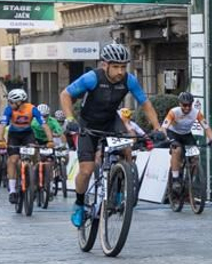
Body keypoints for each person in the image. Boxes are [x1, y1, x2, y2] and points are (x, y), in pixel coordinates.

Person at [61, 44, 160, 228]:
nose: (120, 71)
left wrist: (157, 127)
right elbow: (65, 94)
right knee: (86, 170)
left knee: (126, 149)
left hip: (111, 121)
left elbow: (145, 104)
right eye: (116, 67)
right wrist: (69, 118)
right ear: (105, 65)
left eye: (123, 67)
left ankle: (121, 188)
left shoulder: (129, 80)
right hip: (88, 124)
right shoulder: (91, 78)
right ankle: (80, 203)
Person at [0, 88, 52, 206]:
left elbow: (44, 125)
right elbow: (2, 125)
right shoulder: (8, 110)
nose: (10, 104)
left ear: (20, 102)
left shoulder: (32, 109)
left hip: (28, 135)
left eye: (12, 102)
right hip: (14, 136)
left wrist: (50, 140)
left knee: (34, 154)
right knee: (13, 160)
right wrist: (1, 139)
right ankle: (12, 190)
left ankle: (34, 178)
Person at [161, 90, 212, 190]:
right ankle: (175, 178)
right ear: (179, 104)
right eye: (184, 105)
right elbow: (164, 128)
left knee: (195, 156)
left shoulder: (196, 113)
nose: (187, 108)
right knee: (177, 150)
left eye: (189, 105)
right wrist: (165, 138)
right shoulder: (174, 112)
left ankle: (190, 180)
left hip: (187, 135)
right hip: (173, 133)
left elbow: (206, 127)